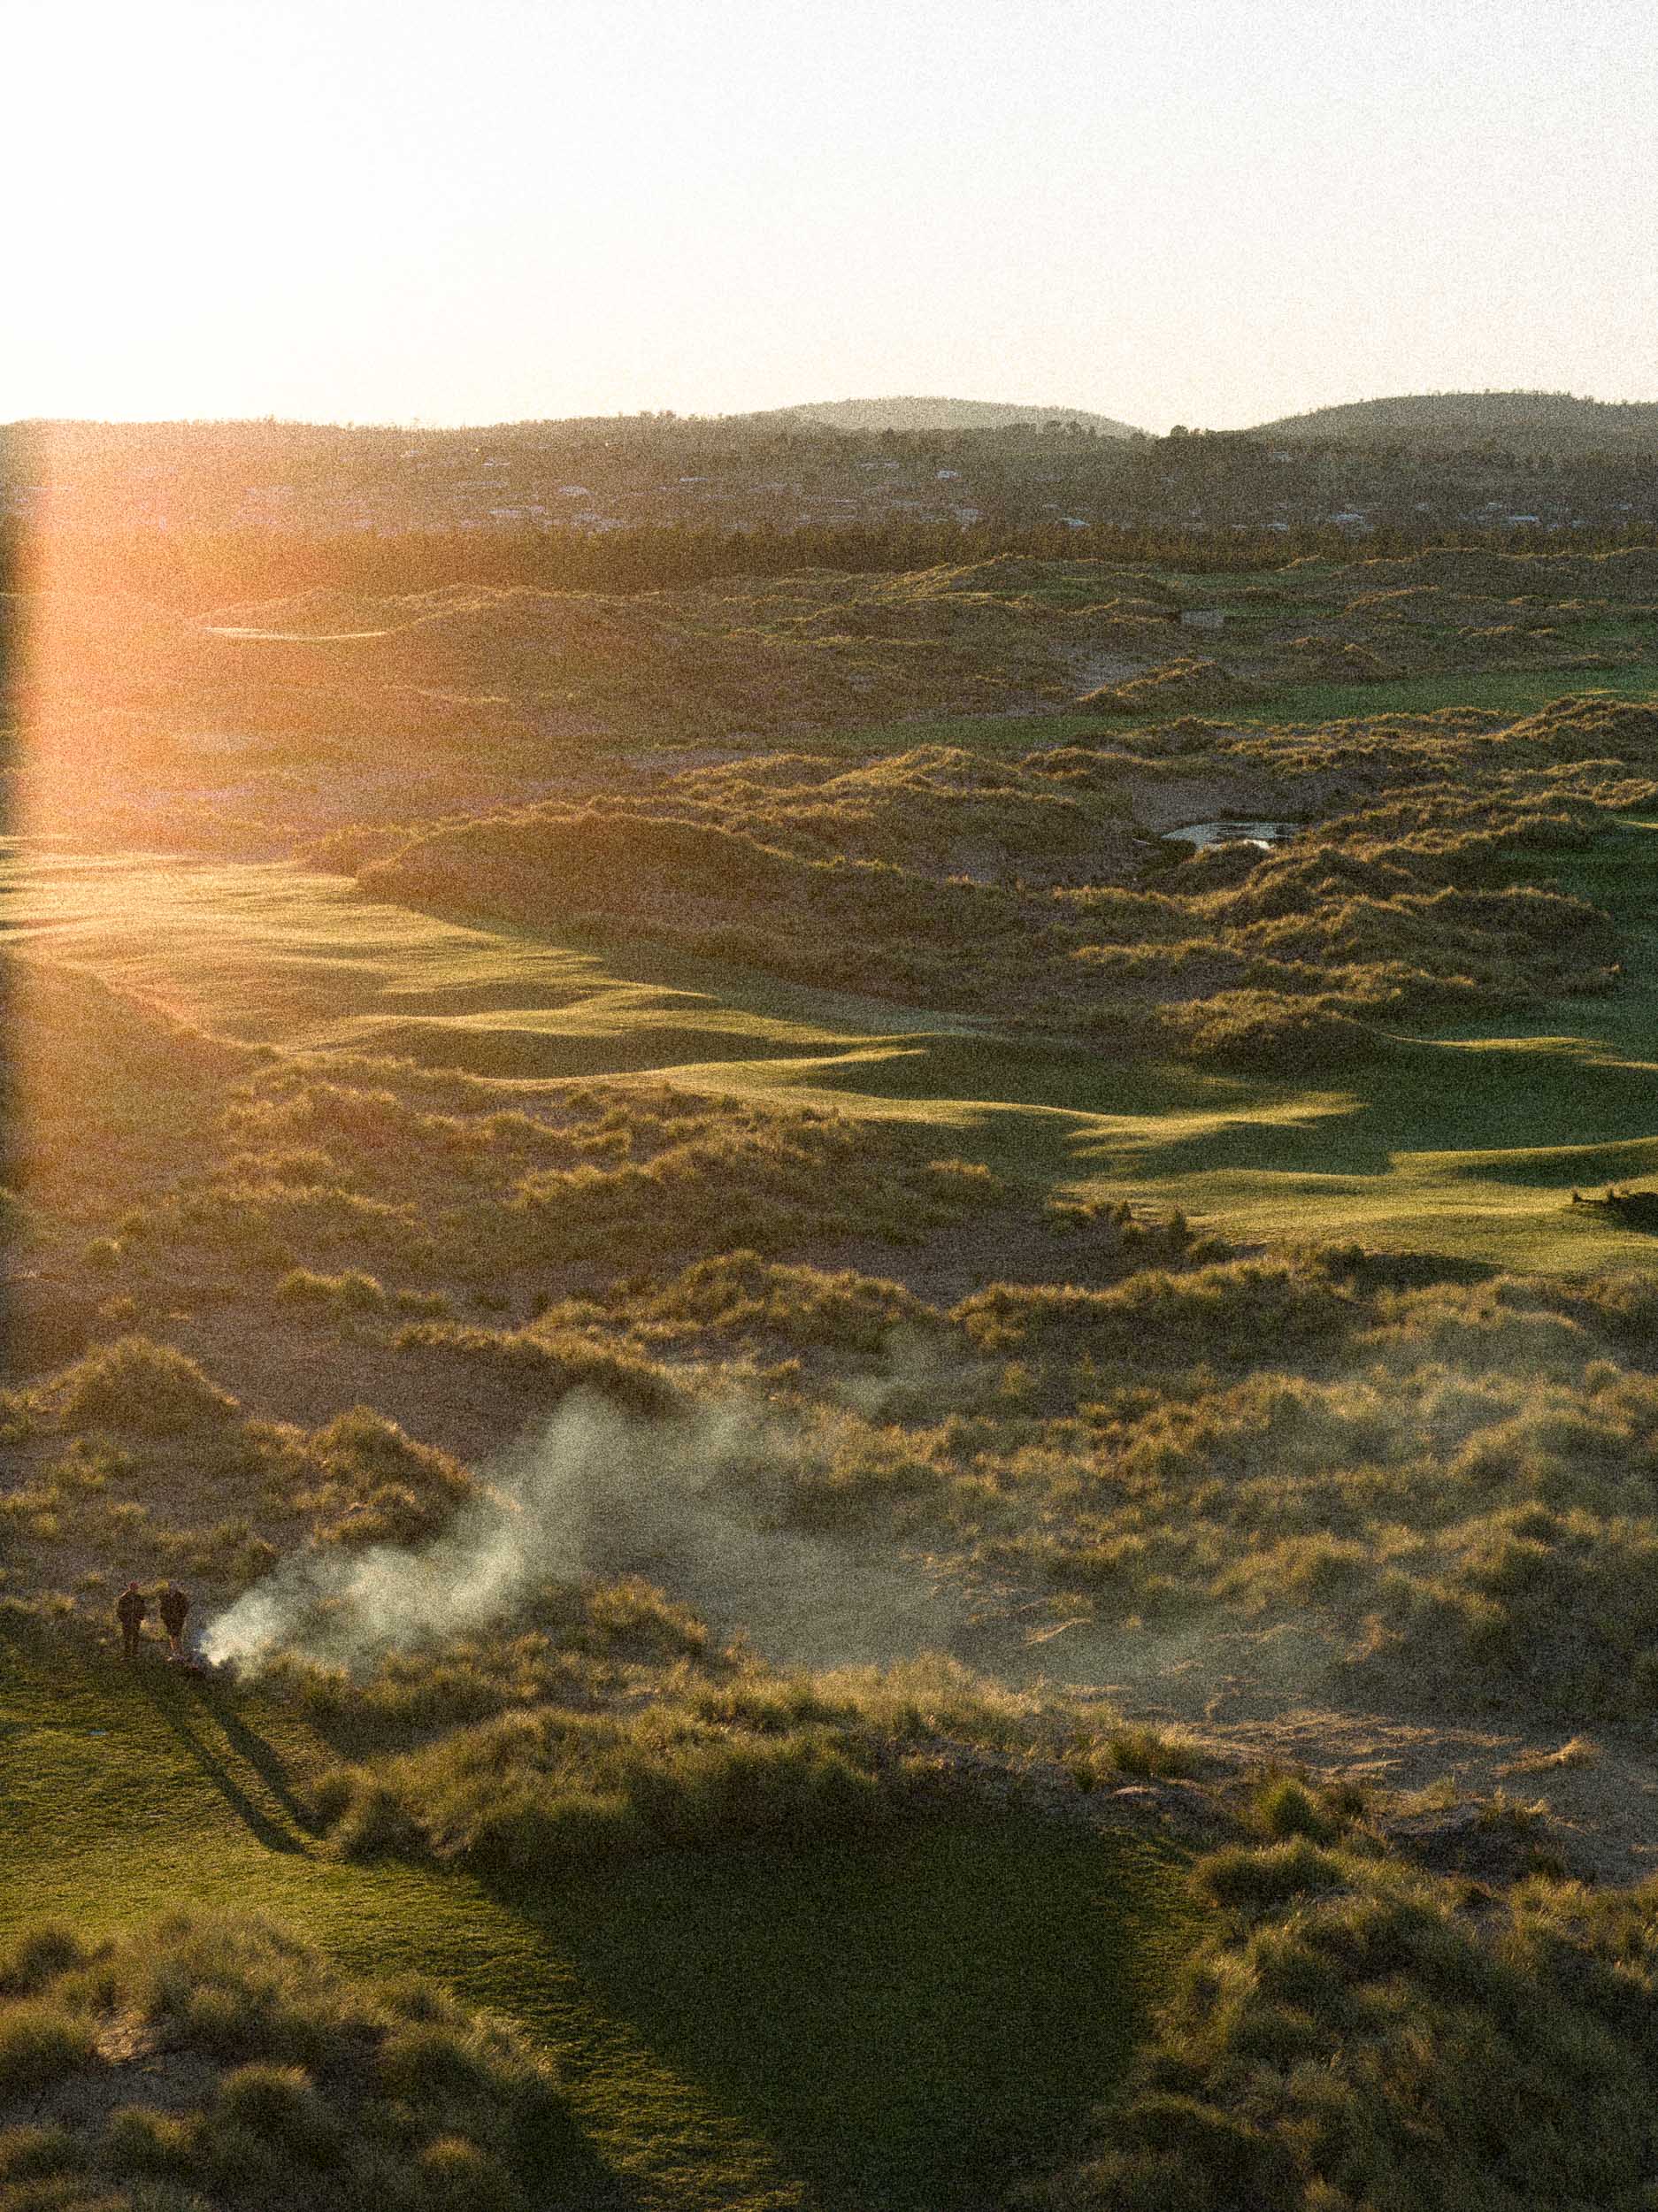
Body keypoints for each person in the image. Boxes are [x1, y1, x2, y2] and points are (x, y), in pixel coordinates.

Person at [115, 1582, 147, 1661]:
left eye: (136, 1588)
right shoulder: (124, 1597)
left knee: (136, 1637)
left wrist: (140, 1618)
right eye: (133, 1588)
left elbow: (143, 1608)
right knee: (127, 1638)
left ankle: (135, 1654)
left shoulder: (139, 1597)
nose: (135, 1590)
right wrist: (123, 1619)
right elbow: (119, 1610)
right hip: (127, 1620)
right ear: (130, 1588)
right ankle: (127, 1655)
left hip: (136, 1620)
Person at [158, 1582, 190, 1661]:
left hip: (178, 1619)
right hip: (168, 1620)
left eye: (175, 1586)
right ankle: (175, 1653)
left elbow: (186, 1607)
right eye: (172, 1586)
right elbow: (162, 1607)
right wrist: (163, 1617)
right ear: (169, 1587)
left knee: (177, 1635)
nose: (173, 1587)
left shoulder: (181, 1596)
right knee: (171, 1636)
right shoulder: (166, 1596)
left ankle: (179, 1653)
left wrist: (181, 1615)